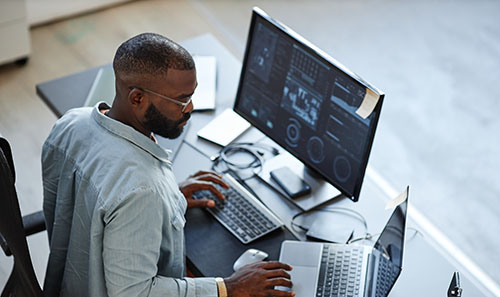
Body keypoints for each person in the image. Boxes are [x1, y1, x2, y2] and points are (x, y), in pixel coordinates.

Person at [42, 33, 294, 297]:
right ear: (137, 98)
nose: (191, 108)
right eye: (182, 100)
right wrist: (227, 288)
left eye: (192, 95)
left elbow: (97, 193)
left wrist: (168, 198)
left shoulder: (70, 123)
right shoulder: (142, 190)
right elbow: (134, 293)